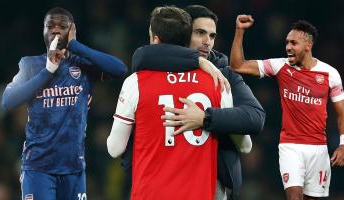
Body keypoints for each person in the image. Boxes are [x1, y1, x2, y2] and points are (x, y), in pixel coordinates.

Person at [130, 5, 265, 200]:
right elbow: (142, 55)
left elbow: (255, 117)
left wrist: (206, 117)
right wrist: (197, 60)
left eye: (212, 36)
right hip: (160, 177)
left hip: (211, 181)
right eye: (200, 33)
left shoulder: (223, 74)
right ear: (183, 34)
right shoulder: (155, 66)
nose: (207, 42)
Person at [107, 6, 233, 200]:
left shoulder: (136, 82)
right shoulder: (216, 81)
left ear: (155, 39)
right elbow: (245, 145)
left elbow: (115, 148)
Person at [1, 7, 127, 199]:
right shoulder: (30, 65)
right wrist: (48, 71)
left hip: (74, 167)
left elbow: (120, 69)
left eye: (62, 25)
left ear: (72, 29)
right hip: (38, 168)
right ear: (43, 31)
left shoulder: (82, 65)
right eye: (50, 25)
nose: (56, 30)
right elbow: (7, 102)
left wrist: (75, 46)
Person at [229, 14, 344, 200]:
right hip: (290, 146)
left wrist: (343, 144)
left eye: (293, 43)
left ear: (308, 46)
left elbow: (341, 113)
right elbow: (237, 65)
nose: (288, 47)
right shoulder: (279, 66)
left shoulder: (330, 74)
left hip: (318, 148)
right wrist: (239, 31)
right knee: (294, 197)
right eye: (287, 42)